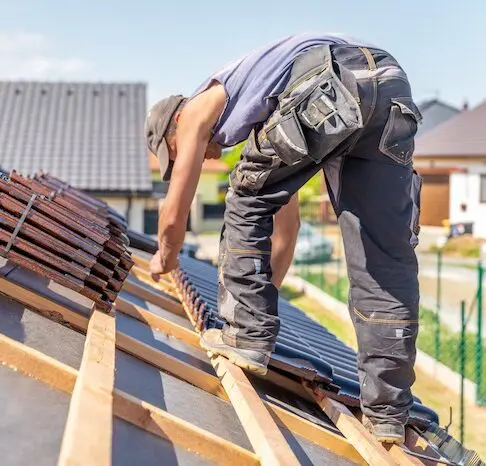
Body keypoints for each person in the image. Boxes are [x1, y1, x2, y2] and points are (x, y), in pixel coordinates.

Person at [144, 32, 423, 444]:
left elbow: (173, 215)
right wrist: (260, 296)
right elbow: (285, 233)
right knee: (383, 258)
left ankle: (244, 338)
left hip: (329, 77)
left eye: (176, 151)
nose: (198, 156)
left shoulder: (200, 106)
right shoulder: (267, 110)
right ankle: (387, 413)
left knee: (244, 193)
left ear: (174, 127)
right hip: (388, 84)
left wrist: (165, 258)